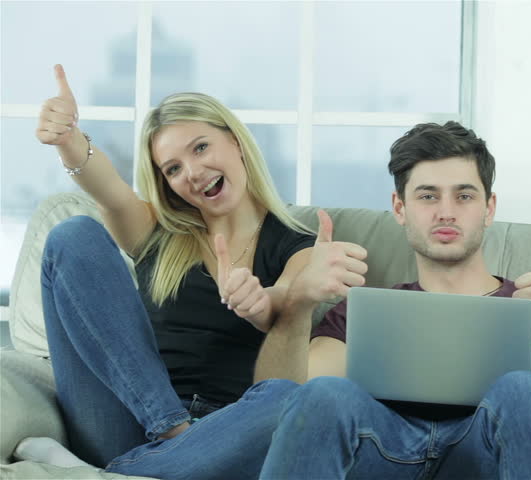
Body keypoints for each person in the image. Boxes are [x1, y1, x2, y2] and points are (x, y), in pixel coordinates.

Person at [14, 64, 321, 479]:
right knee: (73, 234)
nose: (192, 173)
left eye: (200, 148)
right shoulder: (158, 231)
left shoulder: (296, 243)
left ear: (235, 142)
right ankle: (173, 434)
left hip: (225, 435)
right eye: (172, 168)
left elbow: (288, 298)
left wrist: (261, 302)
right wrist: (70, 141)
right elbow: (106, 187)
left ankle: (111, 473)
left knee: (287, 400)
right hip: (125, 417)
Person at [256, 121, 531, 478]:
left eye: (464, 196)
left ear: (489, 208)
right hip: (383, 452)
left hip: (486, 454)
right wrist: (298, 303)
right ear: (399, 207)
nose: (446, 212)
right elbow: (278, 403)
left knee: (528, 389)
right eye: (427, 196)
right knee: (324, 394)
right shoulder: (366, 310)